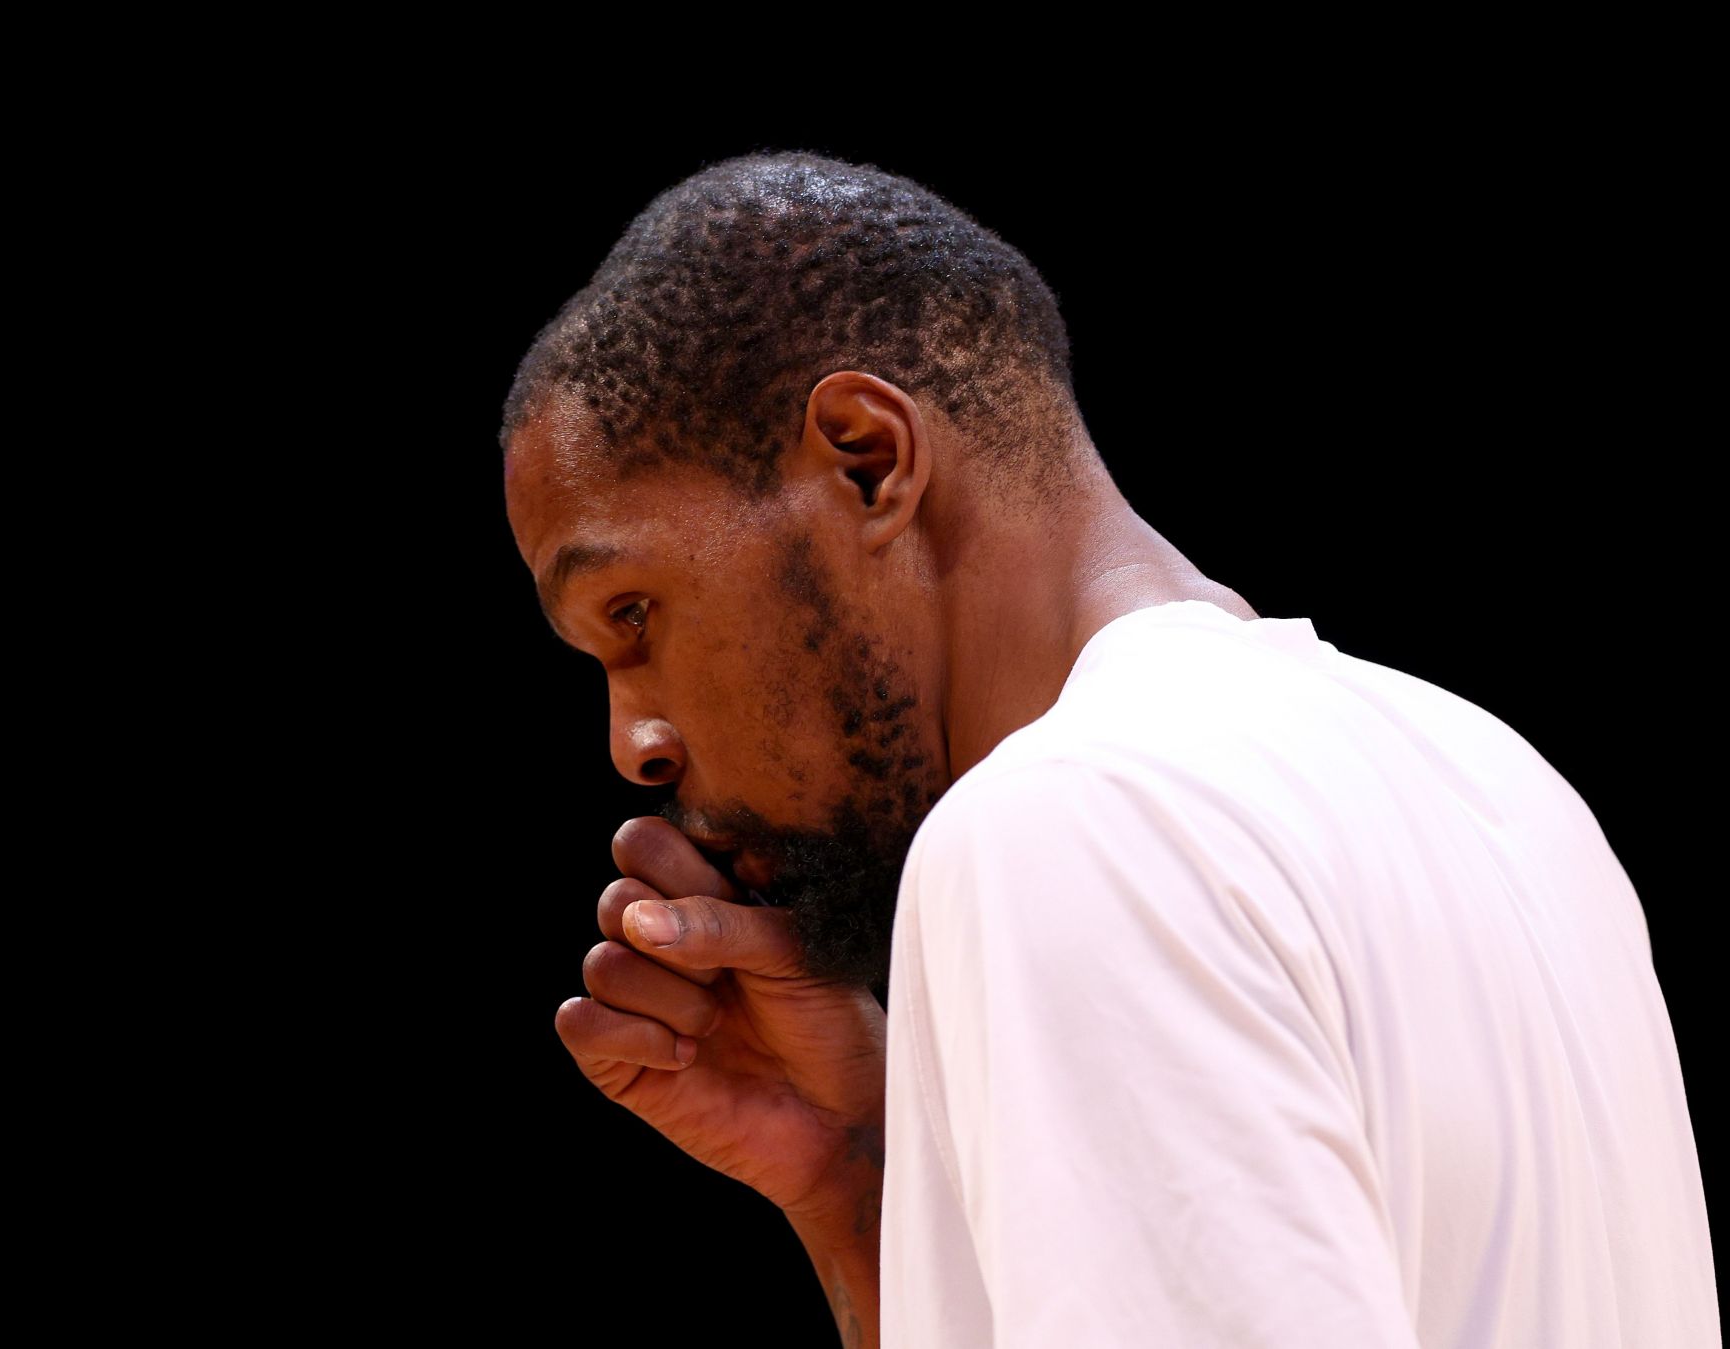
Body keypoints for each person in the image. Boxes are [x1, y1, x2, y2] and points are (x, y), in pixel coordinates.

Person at [499, 150, 1716, 1347]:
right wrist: (869, 1191)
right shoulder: (1500, 780)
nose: (633, 743)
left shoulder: (1066, 827)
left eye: (633, 615)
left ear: (869, 459)